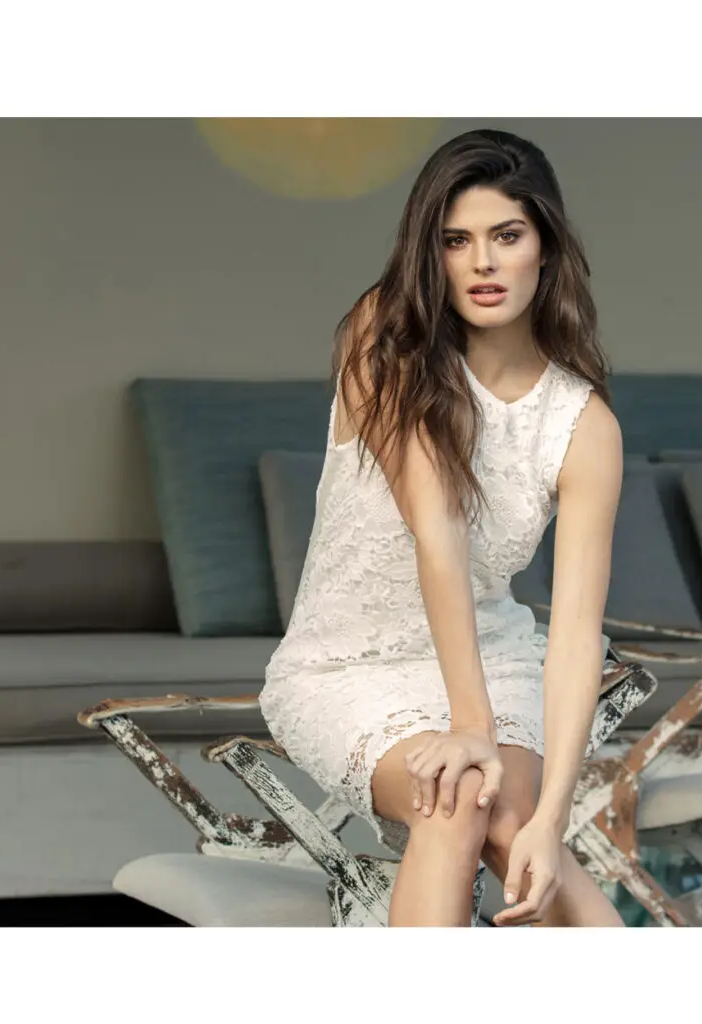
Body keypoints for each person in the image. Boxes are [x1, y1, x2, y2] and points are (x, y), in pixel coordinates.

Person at [259, 129, 626, 927]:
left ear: (546, 247)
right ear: (432, 253)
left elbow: (573, 633)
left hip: (494, 655)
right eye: (456, 240)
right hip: (344, 666)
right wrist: (472, 728)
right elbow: (440, 533)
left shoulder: (584, 424)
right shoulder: (387, 337)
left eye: (507, 236)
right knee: (459, 795)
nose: (483, 263)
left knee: (513, 820)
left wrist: (553, 812)